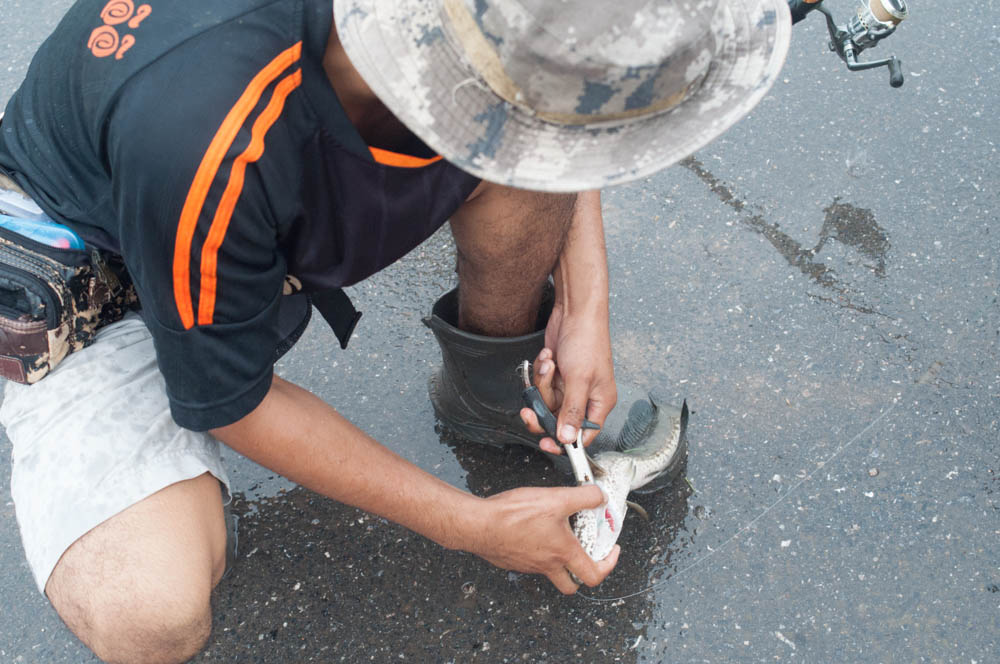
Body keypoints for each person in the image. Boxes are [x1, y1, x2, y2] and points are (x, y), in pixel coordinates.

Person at [0, 0, 807, 661]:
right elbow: (231, 400)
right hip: (89, 268)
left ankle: (489, 393)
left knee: (515, 168)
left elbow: (560, 114)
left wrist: (586, 306)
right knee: (152, 614)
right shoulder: (200, 126)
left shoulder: (449, 43)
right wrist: (469, 525)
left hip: (235, 206)